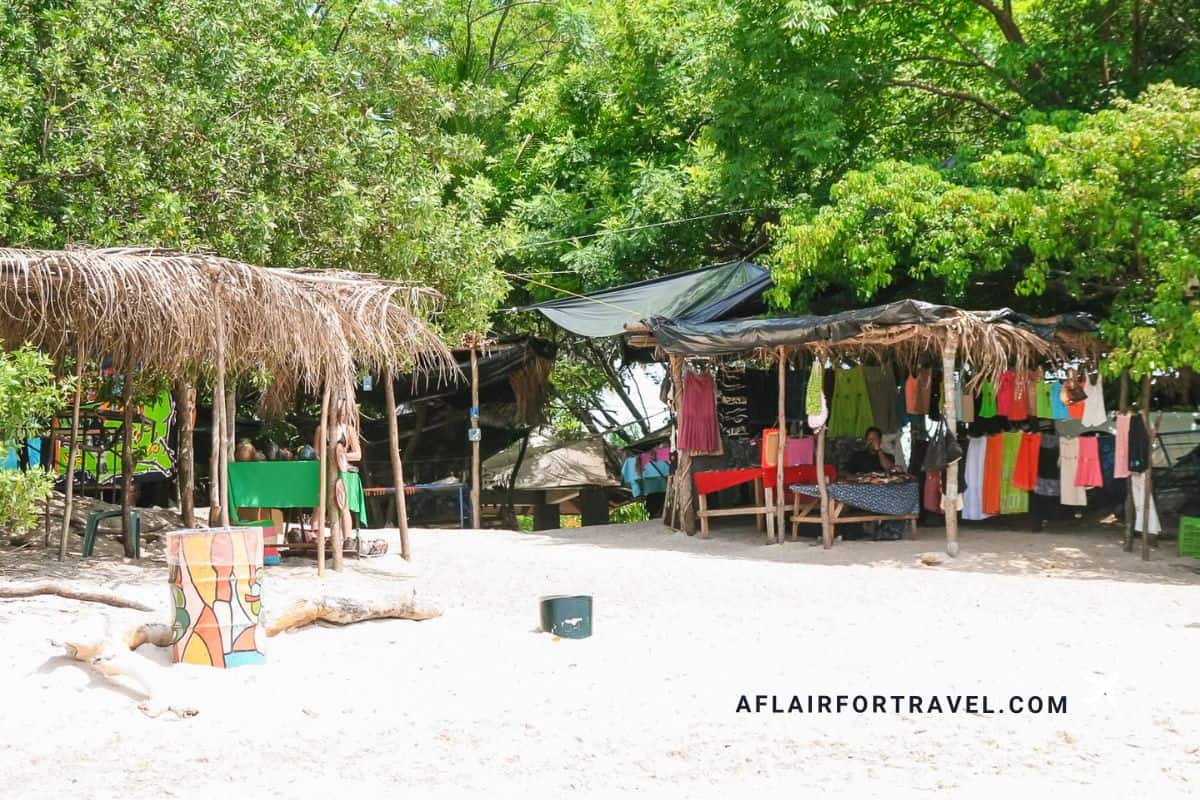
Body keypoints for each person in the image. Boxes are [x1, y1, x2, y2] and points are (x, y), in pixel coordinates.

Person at [314, 400, 363, 548]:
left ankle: (347, 538)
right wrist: (327, 458)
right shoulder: (321, 429)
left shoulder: (349, 430)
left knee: (343, 504)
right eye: (339, 411)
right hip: (326, 471)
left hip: (342, 471)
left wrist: (341, 456)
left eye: (343, 412)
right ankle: (316, 537)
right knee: (319, 504)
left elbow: (358, 454)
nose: (341, 414)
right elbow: (316, 453)